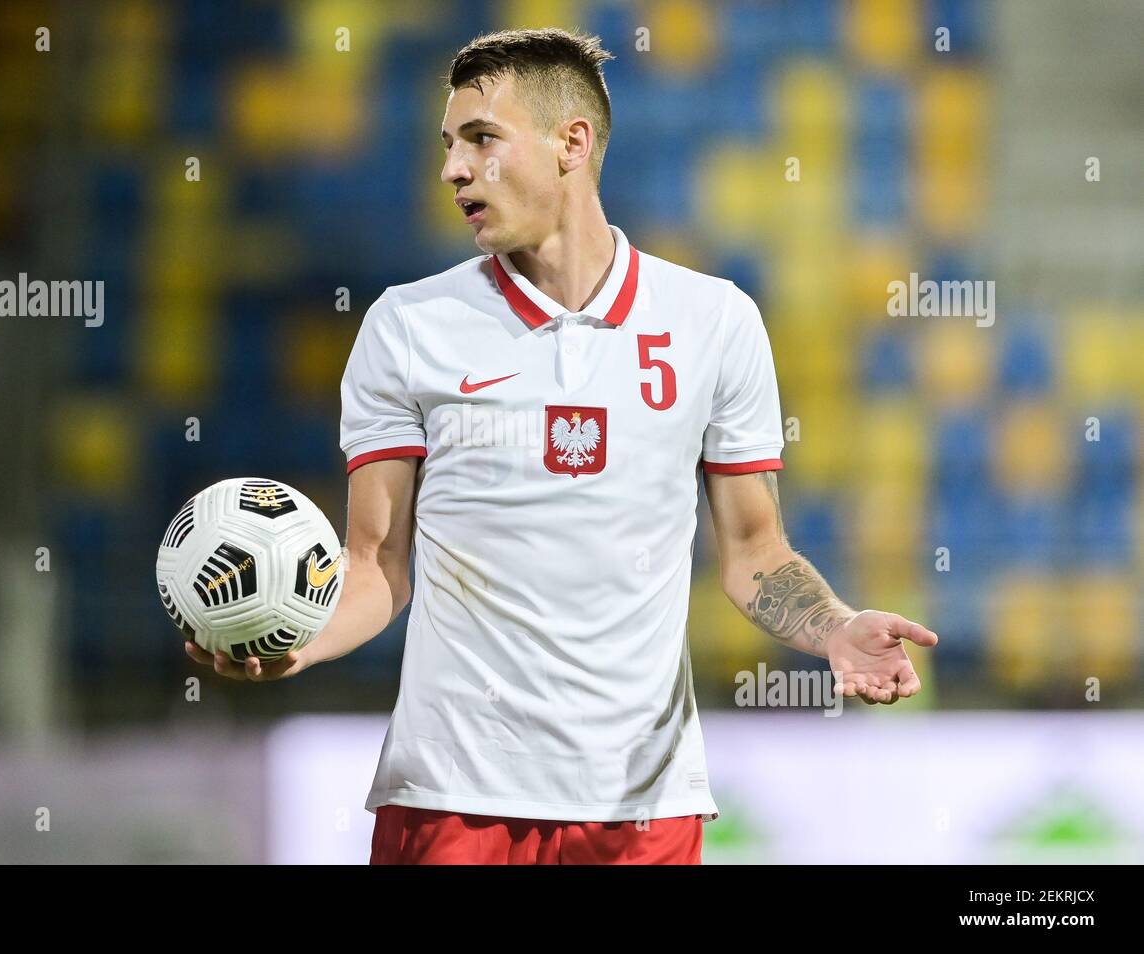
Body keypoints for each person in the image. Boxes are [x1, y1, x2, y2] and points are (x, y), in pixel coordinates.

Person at [186, 27, 938, 865]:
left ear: (570, 143)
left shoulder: (713, 321)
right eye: (447, 146)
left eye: (480, 139)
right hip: (452, 798)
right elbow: (377, 566)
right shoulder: (407, 327)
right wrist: (301, 640)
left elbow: (755, 553)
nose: (453, 170)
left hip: (641, 807)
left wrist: (834, 628)